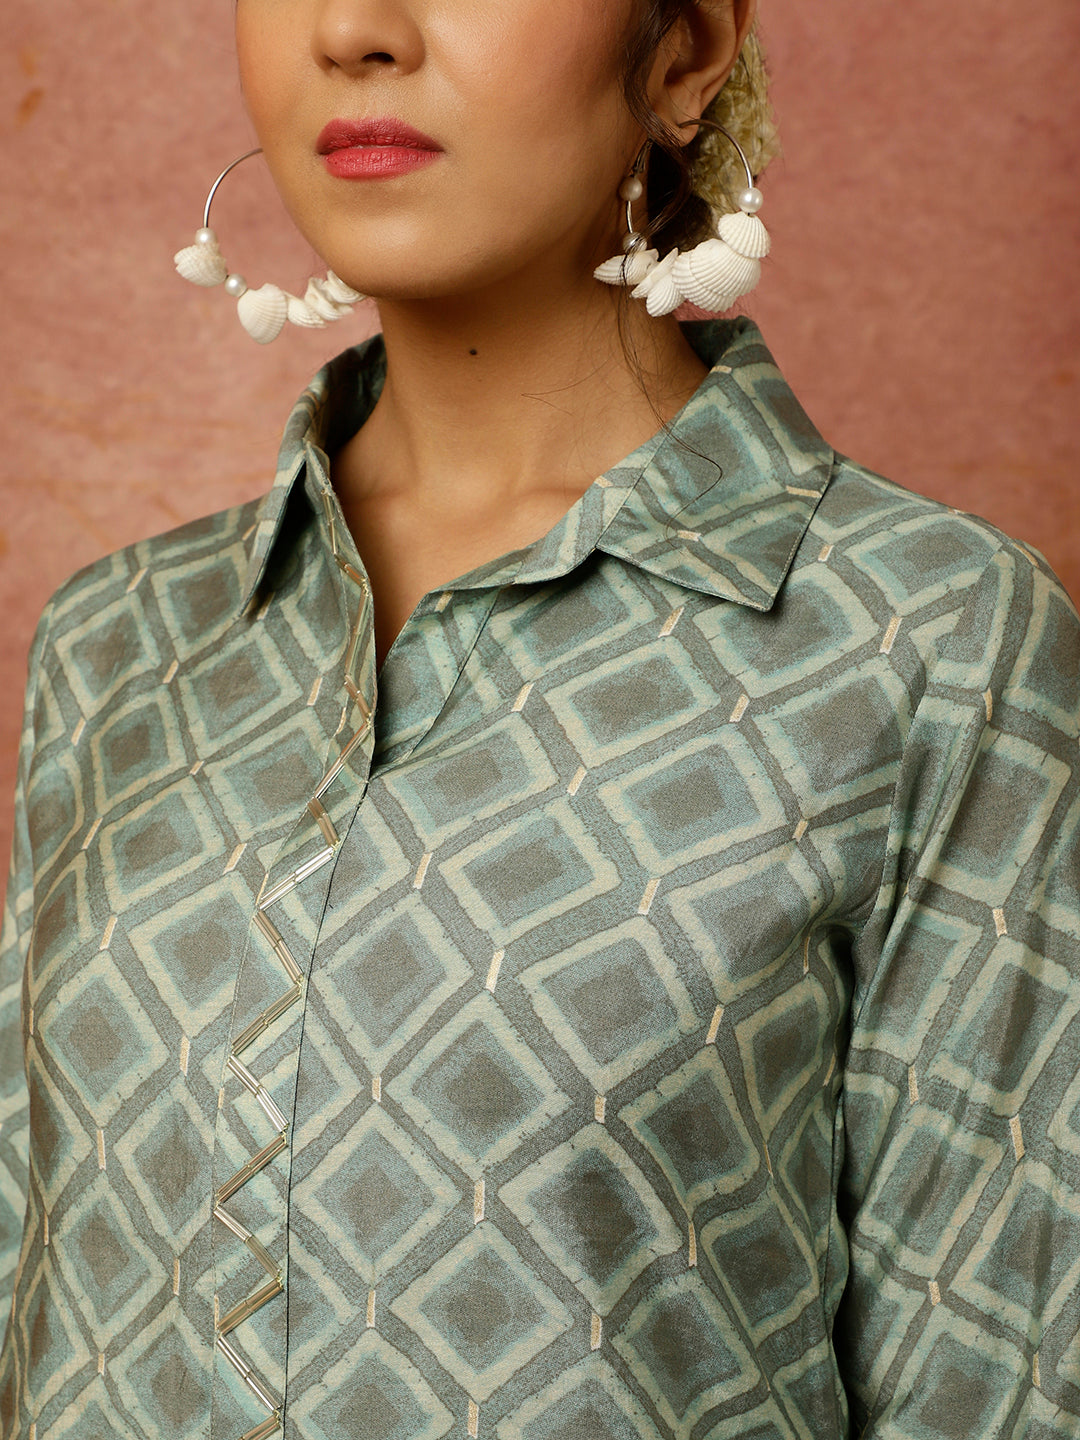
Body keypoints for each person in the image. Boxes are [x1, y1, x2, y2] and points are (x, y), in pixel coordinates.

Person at [1, 1, 1077, 1437]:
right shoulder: (117, 646)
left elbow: (997, 1389)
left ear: (686, 51)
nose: (354, 28)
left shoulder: (929, 643)